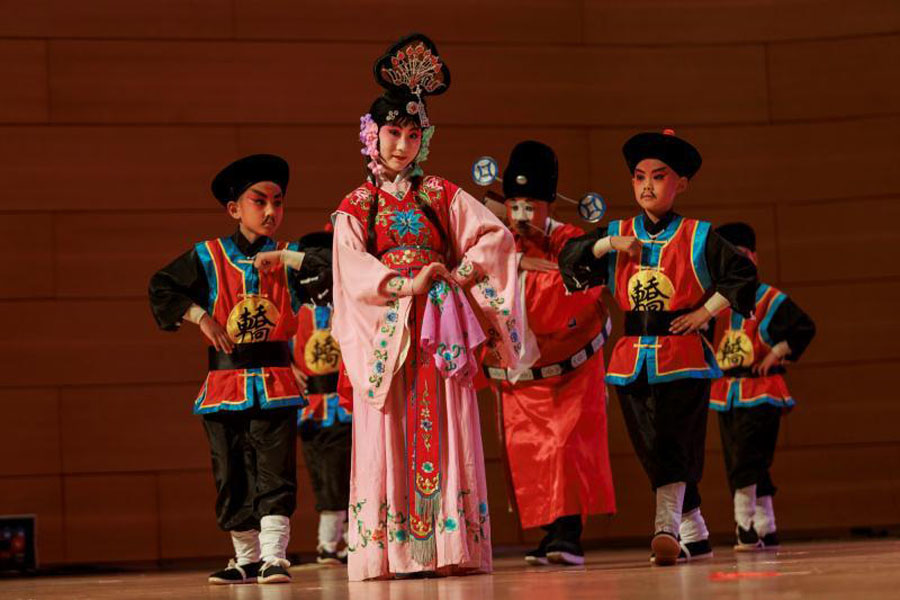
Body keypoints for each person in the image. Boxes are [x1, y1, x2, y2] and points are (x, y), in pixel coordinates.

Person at [331, 33, 524, 581]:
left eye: (413, 135)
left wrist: (457, 276)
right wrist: (405, 284)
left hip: (441, 329)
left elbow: (493, 240)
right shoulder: (357, 206)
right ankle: (389, 550)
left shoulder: (441, 193)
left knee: (447, 425)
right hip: (388, 337)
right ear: (372, 136)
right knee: (390, 426)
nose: (402, 145)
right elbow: (351, 271)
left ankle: (451, 545)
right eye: (393, 133)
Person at [558, 130, 757, 566]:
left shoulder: (698, 236)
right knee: (650, 445)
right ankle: (695, 532)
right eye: (639, 177)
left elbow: (742, 275)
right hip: (631, 358)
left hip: (682, 355)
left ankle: (665, 527)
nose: (647, 185)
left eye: (659, 177)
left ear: (680, 183)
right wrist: (609, 245)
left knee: (672, 441)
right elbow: (570, 259)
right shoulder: (618, 233)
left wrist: (705, 314)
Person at [149, 154, 327, 584]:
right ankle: (245, 558)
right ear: (235, 209)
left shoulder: (292, 258)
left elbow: (334, 271)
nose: (270, 211)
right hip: (224, 382)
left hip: (276, 381)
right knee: (230, 471)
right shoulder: (207, 256)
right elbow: (162, 285)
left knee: (274, 468)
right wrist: (200, 317)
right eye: (259, 201)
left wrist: (290, 260)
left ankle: (273, 556)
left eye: (278, 202)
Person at [483, 141, 615, 566]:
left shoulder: (571, 241)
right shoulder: (500, 244)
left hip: (570, 373)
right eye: (515, 206)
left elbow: (567, 293)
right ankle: (549, 533)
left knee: (566, 447)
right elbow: (476, 287)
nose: (521, 217)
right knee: (528, 452)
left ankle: (568, 535)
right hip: (523, 376)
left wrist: (516, 279)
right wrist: (515, 269)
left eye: (531, 207)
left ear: (548, 205)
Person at [710, 222, 815, 551]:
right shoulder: (714, 303)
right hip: (726, 392)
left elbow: (804, 328)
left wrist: (777, 352)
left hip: (762, 389)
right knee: (743, 459)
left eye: (741, 256)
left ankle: (743, 527)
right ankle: (766, 527)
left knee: (748, 456)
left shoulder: (771, 298)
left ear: (753, 257)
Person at [291, 229, 354, 565]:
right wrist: (288, 367)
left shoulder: (347, 304)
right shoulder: (293, 308)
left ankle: (340, 541)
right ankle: (330, 542)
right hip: (311, 408)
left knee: (346, 472)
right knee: (323, 473)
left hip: (346, 404)